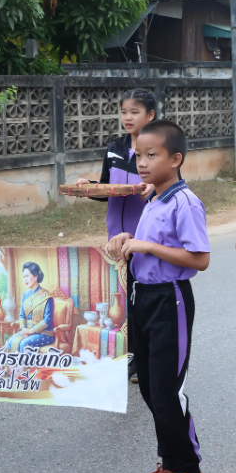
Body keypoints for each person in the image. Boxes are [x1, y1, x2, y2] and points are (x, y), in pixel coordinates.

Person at [106, 119, 210, 473]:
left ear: (176, 159)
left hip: (171, 300)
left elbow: (199, 259)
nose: (142, 162)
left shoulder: (185, 202)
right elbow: (146, 243)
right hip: (143, 298)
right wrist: (128, 240)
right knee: (149, 387)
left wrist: (147, 247)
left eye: (152, 155)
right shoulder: (153, 198)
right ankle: (169, 464)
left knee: (167, 391)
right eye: (139, 155)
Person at [75, 88, 157, 383]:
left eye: (135, 112)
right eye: (124, 111)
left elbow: (169, 188)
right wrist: (89, 186)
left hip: (144, 237)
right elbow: (107, 189)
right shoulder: (114, 149)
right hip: (115, 238)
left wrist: (154, 190)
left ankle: (146, 357)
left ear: (150, 115)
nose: (127, 117)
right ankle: (131, 355)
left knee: (142, 298)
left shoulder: (157, 149)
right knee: (123, 299)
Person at [5, 263, 55, 353]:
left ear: (36, 276)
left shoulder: (46, 295)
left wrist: (31, 331)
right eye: (24, 277)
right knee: (10, 342)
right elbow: (22, 315)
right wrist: (23, 329)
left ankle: (29, 363)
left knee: (24, 344)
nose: (25, 279)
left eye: (27, 276)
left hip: (45, 333)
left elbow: (47, 320)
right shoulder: (25, 294)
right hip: (27, 330)